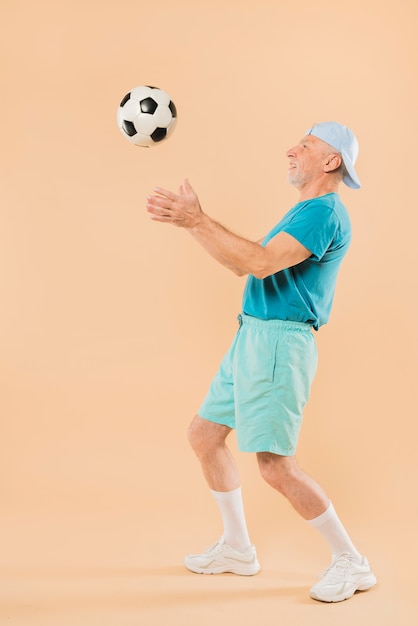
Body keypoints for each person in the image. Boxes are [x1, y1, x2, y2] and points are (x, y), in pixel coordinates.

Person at [146, 121, 376, 603]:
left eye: (306, 146)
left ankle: (352, 563)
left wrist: (198, 220)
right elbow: (242, 263)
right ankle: (236, 549)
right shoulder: (304, 211)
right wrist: (193, 224)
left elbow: (259, 263)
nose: (291, 150)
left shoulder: (322, 213)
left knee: (274, 465)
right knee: (204, 435)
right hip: (252, 334)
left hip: (278, 344)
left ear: (331, 162)